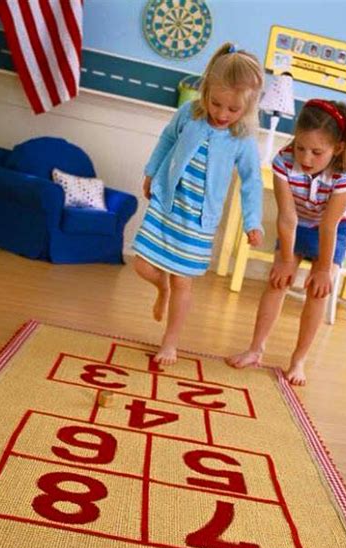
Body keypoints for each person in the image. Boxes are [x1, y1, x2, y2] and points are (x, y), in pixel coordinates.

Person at [132, 42, 265, 365]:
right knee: (142, 264)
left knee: (183, 281)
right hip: (166, 205)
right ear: (205, 89)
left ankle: (170, 342)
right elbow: (166, 139)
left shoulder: (242, 138)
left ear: (247, 109)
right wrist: (151, 173)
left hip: (197, 221)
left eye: (232, 110)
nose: (221, 114)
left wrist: (253, 221)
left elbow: (251, 181)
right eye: (215, 103)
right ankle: (160, 286)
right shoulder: (189, 114)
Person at [227, 98, 346, 385]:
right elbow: (287, 217)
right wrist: (286, 261)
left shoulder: (345, 173)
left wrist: (324, 269)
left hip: (332, 230)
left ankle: (298, 360)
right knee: (277, 282)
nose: (306, 158)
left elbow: (329, 224)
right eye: (301, 147)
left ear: (336, 148)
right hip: (297, 224)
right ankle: (255, 350)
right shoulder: (283, 161)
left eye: (316, 152)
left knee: (317, 290)